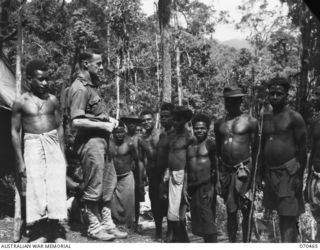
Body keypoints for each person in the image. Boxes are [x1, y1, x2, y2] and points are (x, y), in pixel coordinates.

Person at [67, 49, 127, 241]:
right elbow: (76, 121)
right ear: (85, 64)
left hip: (103, 142)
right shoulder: (79, 88)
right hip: (90, 143)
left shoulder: (92, 86)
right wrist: (104, 124)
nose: (101, 67)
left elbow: (90, 114)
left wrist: (107, 119)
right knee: (94, 185)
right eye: (98, 63)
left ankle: (108, 224)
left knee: (109, 182)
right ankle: (94, 226)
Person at [11, 59, 67, 243]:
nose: (44, 83)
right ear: (29, 79)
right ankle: (40, 232)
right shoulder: (20, 102)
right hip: (32, 143)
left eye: (46, 79)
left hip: (52, 142)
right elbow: (14, 131)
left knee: (55, 185)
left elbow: (59, 128)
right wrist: (20, 160)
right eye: (40, 79)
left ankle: (55, 231)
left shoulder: (52, 100)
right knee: (35, 186)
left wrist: (62, 155)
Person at [260, 77, 307, 242]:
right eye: (271, 93)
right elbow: (262, 145)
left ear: (286, 95)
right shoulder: (265, 117)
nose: (274, 97)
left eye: (278, 93)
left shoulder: (295, 117)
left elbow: (302, 149)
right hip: (271, 172)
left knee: (288, 215)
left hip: (289, 173)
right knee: (280, 214)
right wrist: (260, 175)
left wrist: (299, 178)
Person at [214, 85, 258, 242]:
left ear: (240, 101)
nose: (230, 104)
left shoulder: (250, 122)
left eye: (233, 101)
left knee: (246, 208)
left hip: (244, 170)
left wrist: (254, 177)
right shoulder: (219, 123)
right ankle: (233, 242)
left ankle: (246, 242)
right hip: (226, 170)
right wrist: (219, 177)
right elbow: (218, 153)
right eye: (227, 101)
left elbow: (256, 151)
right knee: (230, 210)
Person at [187, 113, 219, 242]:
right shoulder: (190, 146)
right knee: (198, 223)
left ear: (207, 129)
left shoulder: (210, 144)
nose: (199, 130)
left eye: (202, 128)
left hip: (206, 187)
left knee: (208, 220)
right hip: (192, 188)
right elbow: (185, 168)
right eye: (197, 128)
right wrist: (185, 188)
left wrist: (214, 187)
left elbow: (216, 166)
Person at [165, 106, 194, 243]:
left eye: (178, 120)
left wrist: (186, 185)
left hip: (182, 175)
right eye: (174, 119)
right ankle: (174, 236)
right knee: (172, 209)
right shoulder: (171, 135)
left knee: (180, 209)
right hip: (171, 174)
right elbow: (169, 156)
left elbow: (189, 162)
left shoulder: (189, 137)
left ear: (184, 120)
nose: (175, 122)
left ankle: (182, 239)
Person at [109, 121, 138, 229]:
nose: (119, 134)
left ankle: (129, 225)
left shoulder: (129, 143)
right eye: (117, 132)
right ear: (113, 132)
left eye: (122, 132)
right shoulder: (109, 143)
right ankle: (116, 223)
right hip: (113, 176)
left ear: (125, 131)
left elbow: (136, 158)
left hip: (126, 176)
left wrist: (139, 178)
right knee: (113, 202)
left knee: (128, 203)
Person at [139, 109, 162, 240]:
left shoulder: (161, 134)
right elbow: (142, 159)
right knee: (154, 202)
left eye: (148, 119)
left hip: (164, 173)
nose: (146, 122)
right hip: (152, 174)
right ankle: (158, 231)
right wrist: (142, 178)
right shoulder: (142, 140)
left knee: (166, 202)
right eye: (143, 121)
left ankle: (172, 230)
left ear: (153, 120)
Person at [154, 102, 175, 240]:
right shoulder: (162, 135)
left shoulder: (175, 134)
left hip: (169, 174)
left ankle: (171, 232)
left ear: (173, 117)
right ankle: (158, 231)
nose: (164, 119)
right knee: (158, 203)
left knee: (169, 203)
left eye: (167, 116)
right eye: (162, 116)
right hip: (158, 173)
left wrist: (167, 173)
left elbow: (174, 155)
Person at [121, 114, 145, 231]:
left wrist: (143, 173)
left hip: (138, 170)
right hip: (126, 170)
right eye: (129, 122)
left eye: (134, 123)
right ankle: (125, 221)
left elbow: (143, 156)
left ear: (137, 125)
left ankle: (136, 222)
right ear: (125, 124)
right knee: (126, 196)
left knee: (137, 195)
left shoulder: (140, 138)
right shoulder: (122, 137)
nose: (131, 125)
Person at [305, 86, 320, 241]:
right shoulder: (316, 123)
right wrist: (308, 179)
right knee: (317, 215)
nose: (316, 99)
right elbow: (313, 152)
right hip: (316, 176)